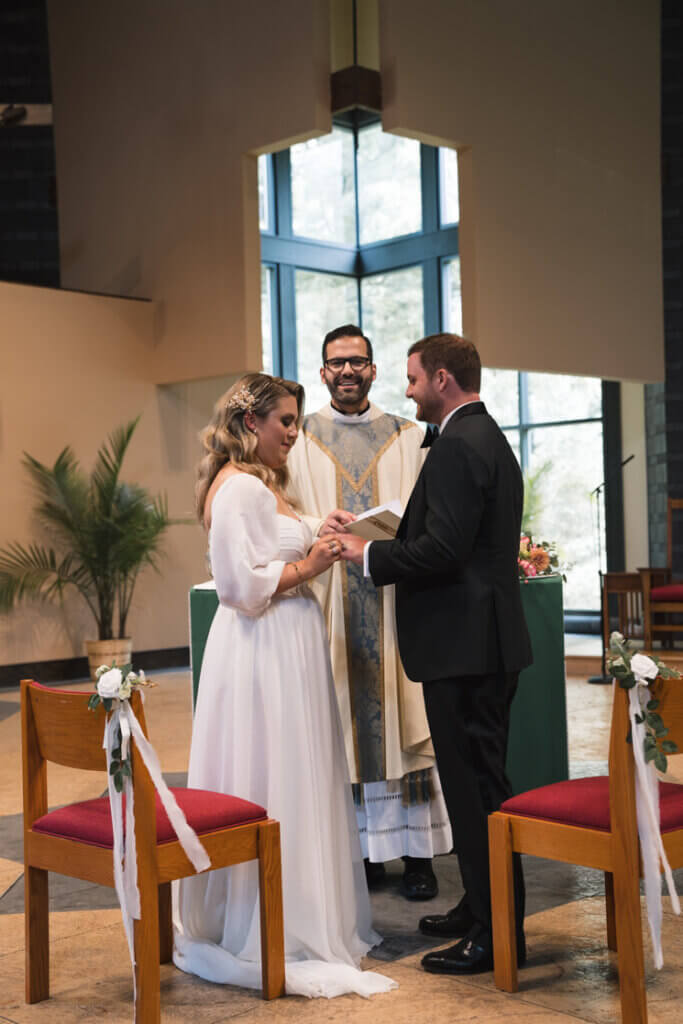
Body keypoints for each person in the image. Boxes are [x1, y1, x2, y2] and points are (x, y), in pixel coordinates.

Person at [174, 373, 396, 999]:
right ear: (252, 424)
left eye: (297, 422)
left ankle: (302, 908)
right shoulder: (240, 487)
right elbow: (240, 589)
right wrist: (313, 563)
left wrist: (315, 527)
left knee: (295, 773)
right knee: (271, 773)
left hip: (287, 645)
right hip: (262, 649)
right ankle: (271, 920)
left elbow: (273, 549)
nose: (295, 435)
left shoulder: (264, 485)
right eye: (287, 423)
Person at [341, 333, 532, 976]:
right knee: (480, 787)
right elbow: (462, 541)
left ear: (443, 378)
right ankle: (480, 907)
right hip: (482, 643)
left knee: (479, 795)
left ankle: (493, 933)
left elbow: (444, 551)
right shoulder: (489, 437)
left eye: (414, 378)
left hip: (464, 649)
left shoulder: (455, 446)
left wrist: (365, 553)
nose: (408, 390)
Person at [287, 325, 452, 901]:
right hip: (329, 602)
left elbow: (430, 517)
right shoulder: (298, 440)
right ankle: (359, 853)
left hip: (393, 601)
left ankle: (416, 855)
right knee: (339, 724)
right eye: (337, 364)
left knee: (404, 719)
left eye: (358, 362)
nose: (348, 372)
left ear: (374, 370)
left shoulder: (411, 437)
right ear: (323, 371)